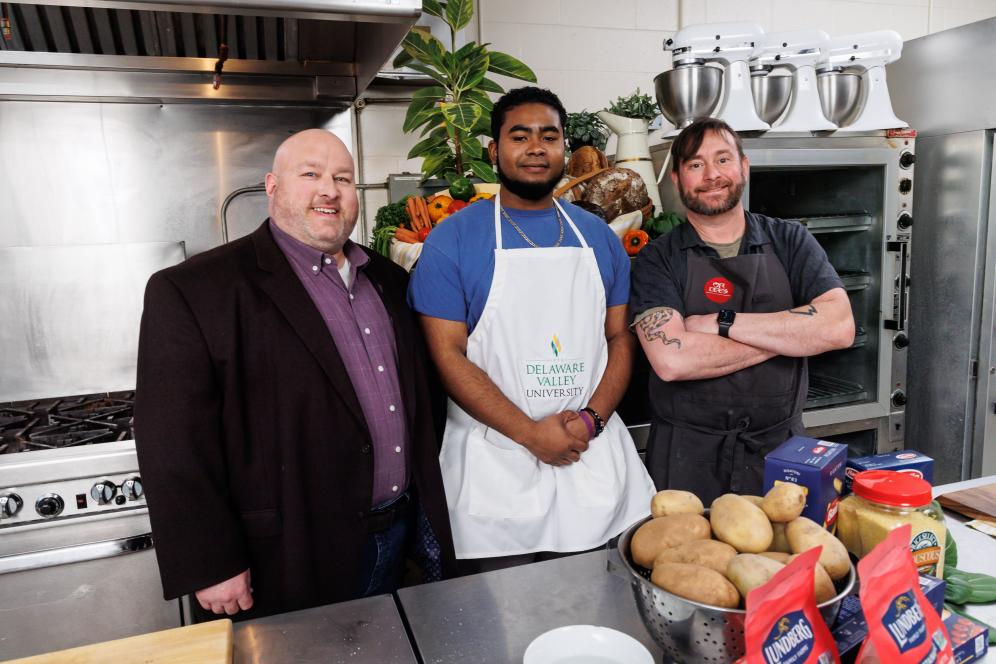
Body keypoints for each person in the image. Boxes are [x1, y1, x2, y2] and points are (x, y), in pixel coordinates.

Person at [134, 129, 456, 620]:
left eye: (343, 179)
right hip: (283, 558)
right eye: (311, 174)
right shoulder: (195, 289)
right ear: (272, 186)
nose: (329, 189)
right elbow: (172, 441)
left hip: (395, 537)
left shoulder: (389, 281)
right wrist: (209, 561)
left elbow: (422, 402)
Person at [408, 87, 655, 572]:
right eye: (520, 136)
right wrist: (527, 433)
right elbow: (447, 356)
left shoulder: (599, 236)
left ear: (566, 147)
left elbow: (618, 338)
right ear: (494, 150)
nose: (536, 147)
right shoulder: (451, 241)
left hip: (591, 459)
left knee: (594, 624)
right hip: (496, 470)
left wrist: (590, 421)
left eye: (549, 136)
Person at [629, 117, 855, 504]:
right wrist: (791, 338)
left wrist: (723, 323)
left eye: (723, 159)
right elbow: (672, 360)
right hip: (687, 458)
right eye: (695, 165)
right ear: (677, 180)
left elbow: (838, 327)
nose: (712, 175)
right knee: (687, 562)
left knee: (784, 563)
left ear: (744, 167)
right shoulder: (657, 259)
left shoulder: (790, 240)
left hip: (782, 455)